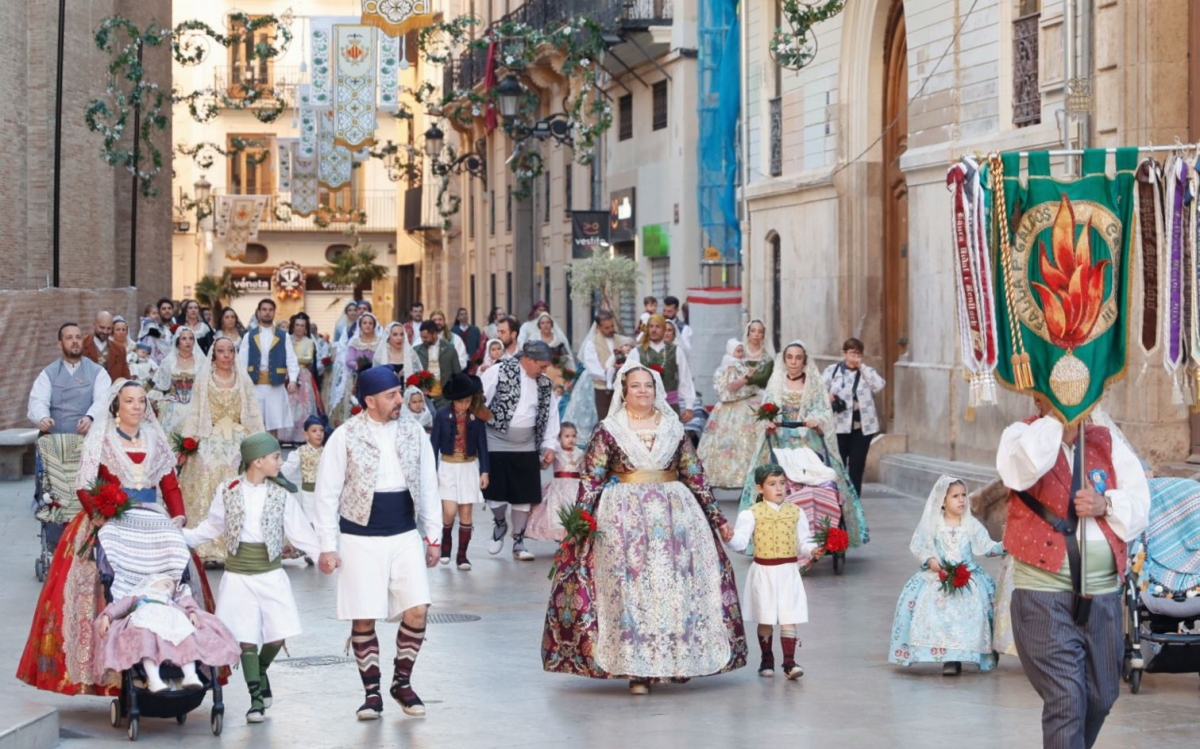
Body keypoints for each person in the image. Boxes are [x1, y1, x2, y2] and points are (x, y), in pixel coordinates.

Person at [542, 360, 746, 693]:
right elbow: (592, 478)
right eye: (635, 385)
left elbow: (694, 474)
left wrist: (717, 518)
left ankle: (673, 660)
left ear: (656, 390)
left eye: (648, 386)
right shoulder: (609, 429)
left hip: (674, 519)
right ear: (624, 391)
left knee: (670, 589)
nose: (643, 391)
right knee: (631, 590)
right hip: (624, 521)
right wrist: (579, 523)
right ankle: (638, 669)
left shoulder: (673, 428)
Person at [17, 379, 191, 695]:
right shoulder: (103, 439)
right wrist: (100, 513)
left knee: (172, 576)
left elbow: (169, 485)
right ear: (116, 407)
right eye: (129, 401)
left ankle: (172, 657)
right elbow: (84, 485)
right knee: (102, 582)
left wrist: (178, 516)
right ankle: (113, 670)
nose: (137, 406)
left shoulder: (155, 440)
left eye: (141, 401)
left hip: (151, 523)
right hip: (111, 522)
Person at [996, 395, 1150, 748]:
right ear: (1039, 398)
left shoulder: (1107, 442)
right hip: (1042, 597)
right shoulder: (1020, 436)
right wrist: (1058, 420)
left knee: (1101, 696)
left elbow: (1141, 505)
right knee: (1066, 699)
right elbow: (1021, 469)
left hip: (1103, 595)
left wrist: (1104, 503)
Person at [312, 366, 441, 721]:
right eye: (391, 395)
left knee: (418, 608)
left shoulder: (414, 432)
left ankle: (402, 683)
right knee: (364, 615)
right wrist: (327, 545)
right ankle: (372, 694)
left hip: (404, 533)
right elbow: (326, 494)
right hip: (358, 537)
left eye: (399, 393)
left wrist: (433, 536)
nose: (400, 400)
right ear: (370, 401)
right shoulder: (344, 436)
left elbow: (429, 484)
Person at [183, 432, 322, 723]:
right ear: (257, 461)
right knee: (246, 638)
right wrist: (185, 537)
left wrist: (322, 556)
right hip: (238, 575)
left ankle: (259, 669)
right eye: (275, 457)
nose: (280, 462)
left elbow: (300, 532)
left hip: (271, 573)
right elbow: (213, 525)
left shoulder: (281, 494)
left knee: (277, 634)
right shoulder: (228, 489)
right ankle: (255, 699)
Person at [738, 341, 870, 549]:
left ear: (804, 361)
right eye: (790, 357)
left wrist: (816, 420)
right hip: (779, 440)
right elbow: (766, 409)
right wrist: (769, 422)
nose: (793, 362)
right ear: (784, 360)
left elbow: (823, 410)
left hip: (808, 440)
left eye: (798, 358)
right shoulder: (776, 382)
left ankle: (822, 527)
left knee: (822, 477)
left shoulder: (813, 383)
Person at [889, 476, 1005, 675]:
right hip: (940, 576)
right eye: (955, 496)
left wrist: (1005, 545)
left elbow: (987, 547)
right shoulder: (934, 524)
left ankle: (966, 655)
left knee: (976, 609)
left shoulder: (971, 524)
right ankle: (948, 658)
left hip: (967, 577)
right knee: (932, 610)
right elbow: (919, 545)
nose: (961, 500)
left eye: (964, 495)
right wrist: (930, 560)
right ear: (942, 501)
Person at [728, 463, 822, 680]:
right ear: (760, 488)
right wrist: (729, 536)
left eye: (782, 483)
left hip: (788, 572)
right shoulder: (751, 514)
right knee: (766, 617)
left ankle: (789, 663)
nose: (779, 488)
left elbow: (803, 541)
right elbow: (740, 541)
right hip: (764, 572)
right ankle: (767, 659)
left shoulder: (796, 512)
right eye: (772, 484)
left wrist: (812, 550)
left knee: (789, 615)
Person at [179, 336, 265, 565]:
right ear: (213, 355)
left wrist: (261, 442)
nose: (226, 355)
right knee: (205, 468)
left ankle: (242, 542)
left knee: (241, 471)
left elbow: (253, 412)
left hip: (239, 436)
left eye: (230, 351)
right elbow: (195, 413)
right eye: (221, 351)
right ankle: (207, 546)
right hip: (210, 436)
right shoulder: (204, 380)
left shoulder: (243, 379)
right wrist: (188, 442)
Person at [94, 572, 240, 693]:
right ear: (151, 583)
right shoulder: (138, 596)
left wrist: (191, 613)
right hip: (146, 620)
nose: (170, 589)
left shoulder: (168, 601)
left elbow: (182, 608)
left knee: (186, 638)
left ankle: (190, 675)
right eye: (166, 584)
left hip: (170, 624)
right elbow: (120, 606)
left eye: (172, 588)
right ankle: (154, 680)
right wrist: (108, 616)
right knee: (146, 644)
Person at [480, 341, 560, 561]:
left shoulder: (544, 384)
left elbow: (551, 415)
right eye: (542, 366)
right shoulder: (498, 371)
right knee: (494, 494)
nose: (544, 371)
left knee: (523, 496)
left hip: (526, 444)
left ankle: (518, 540)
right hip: (495, 440)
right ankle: (500, 523)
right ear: (528, 360)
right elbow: (480, 401)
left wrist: (549, 444)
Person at [430, 373, 490, 570]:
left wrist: (484, 471)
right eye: (461, 401)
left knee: (466, 511)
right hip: (447, 466)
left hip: (468, 466)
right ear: (453, 400)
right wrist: (431, 471)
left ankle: (462, 555)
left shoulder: (476, 417)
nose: (464, 405)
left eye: (468, 401)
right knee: (448, 511)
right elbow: (434, 444)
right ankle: (446, 543)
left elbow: (483, 445)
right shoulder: (442, 415)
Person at [821, 337, 887, 498]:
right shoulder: (833, 371)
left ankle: (855, 501)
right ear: (844, 353)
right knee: (839, 465)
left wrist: (862, 367)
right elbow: (818, 392)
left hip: (862, 428)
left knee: (857, 466)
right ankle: (839, 500)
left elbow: (879, 385)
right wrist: (828, 398)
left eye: (858, 354)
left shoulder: (866, 372)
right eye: (851, 353)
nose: (854, 358)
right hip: (839, 426)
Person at [699, 338, 764, 488]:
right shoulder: (723, 369)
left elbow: (752, 387)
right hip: (725, 412)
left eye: (741, 351)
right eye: (737, 351)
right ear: (730, 351)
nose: (740, 354)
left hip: (744, 412)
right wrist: (741, 389)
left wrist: (744, 388)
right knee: (721, 445)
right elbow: (724, 392)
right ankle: (717, 478)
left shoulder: (745, 368)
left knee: (744, 444)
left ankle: (744, 481)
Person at [29, 322, 112, 435]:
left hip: (88, 437)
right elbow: (38, 400)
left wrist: (90, 417)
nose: (75, 341)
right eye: (69, 338)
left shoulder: (98, 372)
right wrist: (42, 417)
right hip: (54, 437)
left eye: (78, 337)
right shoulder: (48, 373)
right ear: (60, 344)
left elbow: (103, 400)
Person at [237, 299, 299, 437]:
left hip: (275, 385)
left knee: (274, 424)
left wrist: (293, 379)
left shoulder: (283, 336)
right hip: (254, 385)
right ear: (258, 312)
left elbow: (291, 359)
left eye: (270, 310)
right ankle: (256, 450)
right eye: (264, 309)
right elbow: (241, 361)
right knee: (255, 424)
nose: (267, 312)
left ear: (274, 312)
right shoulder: (249, 335)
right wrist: (242, 383)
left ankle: (273, 450)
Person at [627, 314, 695, 422]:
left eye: (657, 326)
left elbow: (685, 378)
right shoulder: (637, 352)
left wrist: (689, 406)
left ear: (664, 330)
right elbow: (626, 380)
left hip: (670, 407)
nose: (654, 330)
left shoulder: (676, 351)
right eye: (651, 326)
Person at [525, 422, 583, 542]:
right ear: (559, 438)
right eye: (567, 436)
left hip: (576, 488)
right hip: (558, 488)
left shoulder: (580, 453)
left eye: (573, 436)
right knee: (557, 511)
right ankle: (561, 539)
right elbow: (544, 466)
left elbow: (584, 468)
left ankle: (570, 540)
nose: (571, 439)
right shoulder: (556, 452)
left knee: (574, 511)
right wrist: (544, 462)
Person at [149, 328, 204, 437]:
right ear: (178, 342)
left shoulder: (201, 361)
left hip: (194, 404)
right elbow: (160, 386)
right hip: (173, 404)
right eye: (184, 338)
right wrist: (152, 402)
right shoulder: (169, 361)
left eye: (191, 338)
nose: (188, 342)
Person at [279, 314, 324, 444]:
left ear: (305, 328)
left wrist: (291, 358)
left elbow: (308, 358)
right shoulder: (286, 339)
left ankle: (301, 436)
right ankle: (285, 436)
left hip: (303, 375)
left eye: (302, 326)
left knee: (304, 405)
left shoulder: (309, 341)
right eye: (297, 325)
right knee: (287, 405)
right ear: (293, 326)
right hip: (287, 374)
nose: (299, 328)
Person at [581, 310, 633, 419]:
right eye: (607, 327)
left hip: (623, 388)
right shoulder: (592, 344)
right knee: (605, 420)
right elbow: (594, 369)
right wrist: (611, 375)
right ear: (598, 328)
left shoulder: (621, 340)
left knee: (623, 419)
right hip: (603, 389)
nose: (611, 329)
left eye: (612, 326)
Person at [282, 415, 325, 522]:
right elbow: (288, 468)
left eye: (321, 430)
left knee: (325, 518)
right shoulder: (301, 452)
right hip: (308, 493)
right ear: (306, 435)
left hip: (325, 492)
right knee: (309, 519)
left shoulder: (327, 451)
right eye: (314, 431)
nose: (319, 434)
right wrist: (275, 467)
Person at [413, 320, 463, 409]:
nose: (423, 340)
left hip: (445, 396)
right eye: (422, 337)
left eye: (426, 337)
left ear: (435, 334)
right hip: (423, 397)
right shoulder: (417, 350)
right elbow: (412, 374)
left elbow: (457, 373)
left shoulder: (450, 349)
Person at [518, 311, 573, 388]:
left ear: (551, 325)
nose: (545, 325)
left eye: (548, 322)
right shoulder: (534, 339)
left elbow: (566, 356)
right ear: (539, 326)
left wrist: (557, 361)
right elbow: (529, 356)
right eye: (543, 323)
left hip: (557, 371)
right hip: (540, 372)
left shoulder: (558, 339)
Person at [80, 310, 131, 382]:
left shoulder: (120, 350)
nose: (105, 332)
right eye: (102, 328)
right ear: (94, 325)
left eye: (109, 328)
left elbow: (126, 378)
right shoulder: (81, 345)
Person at [452, 308, 482, 372]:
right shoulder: (454, 331)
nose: (464, 316)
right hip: (459, 360)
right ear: (458, 317)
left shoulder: (475, 330)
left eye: (466, 314)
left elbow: (479, 345)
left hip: (473, 360)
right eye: (461, 314)